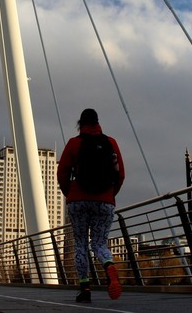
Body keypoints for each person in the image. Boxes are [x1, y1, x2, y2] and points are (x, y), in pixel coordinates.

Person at [57, 108, 125, 303]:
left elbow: (62, 173)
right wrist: (110, 194)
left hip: (78, 199)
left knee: (81, 245)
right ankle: (109, 265)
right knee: (99, 243)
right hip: (105, 200)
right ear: (98, 123)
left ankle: (85, 288)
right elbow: (120, 174)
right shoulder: (110, 143)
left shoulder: (74, 144)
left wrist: (70, 194)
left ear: (81, 124)